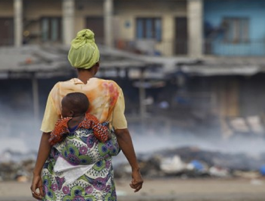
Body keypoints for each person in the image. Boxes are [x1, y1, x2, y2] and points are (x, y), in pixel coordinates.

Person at [31, 29, 143, 200]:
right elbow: (121, 132)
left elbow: (47, 134)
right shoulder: (111, 89)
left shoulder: (59, 89)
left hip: (62, 173)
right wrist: (135, 169)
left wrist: (36, 173)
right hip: (97, 174)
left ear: (74, 63)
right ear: (96, 64)